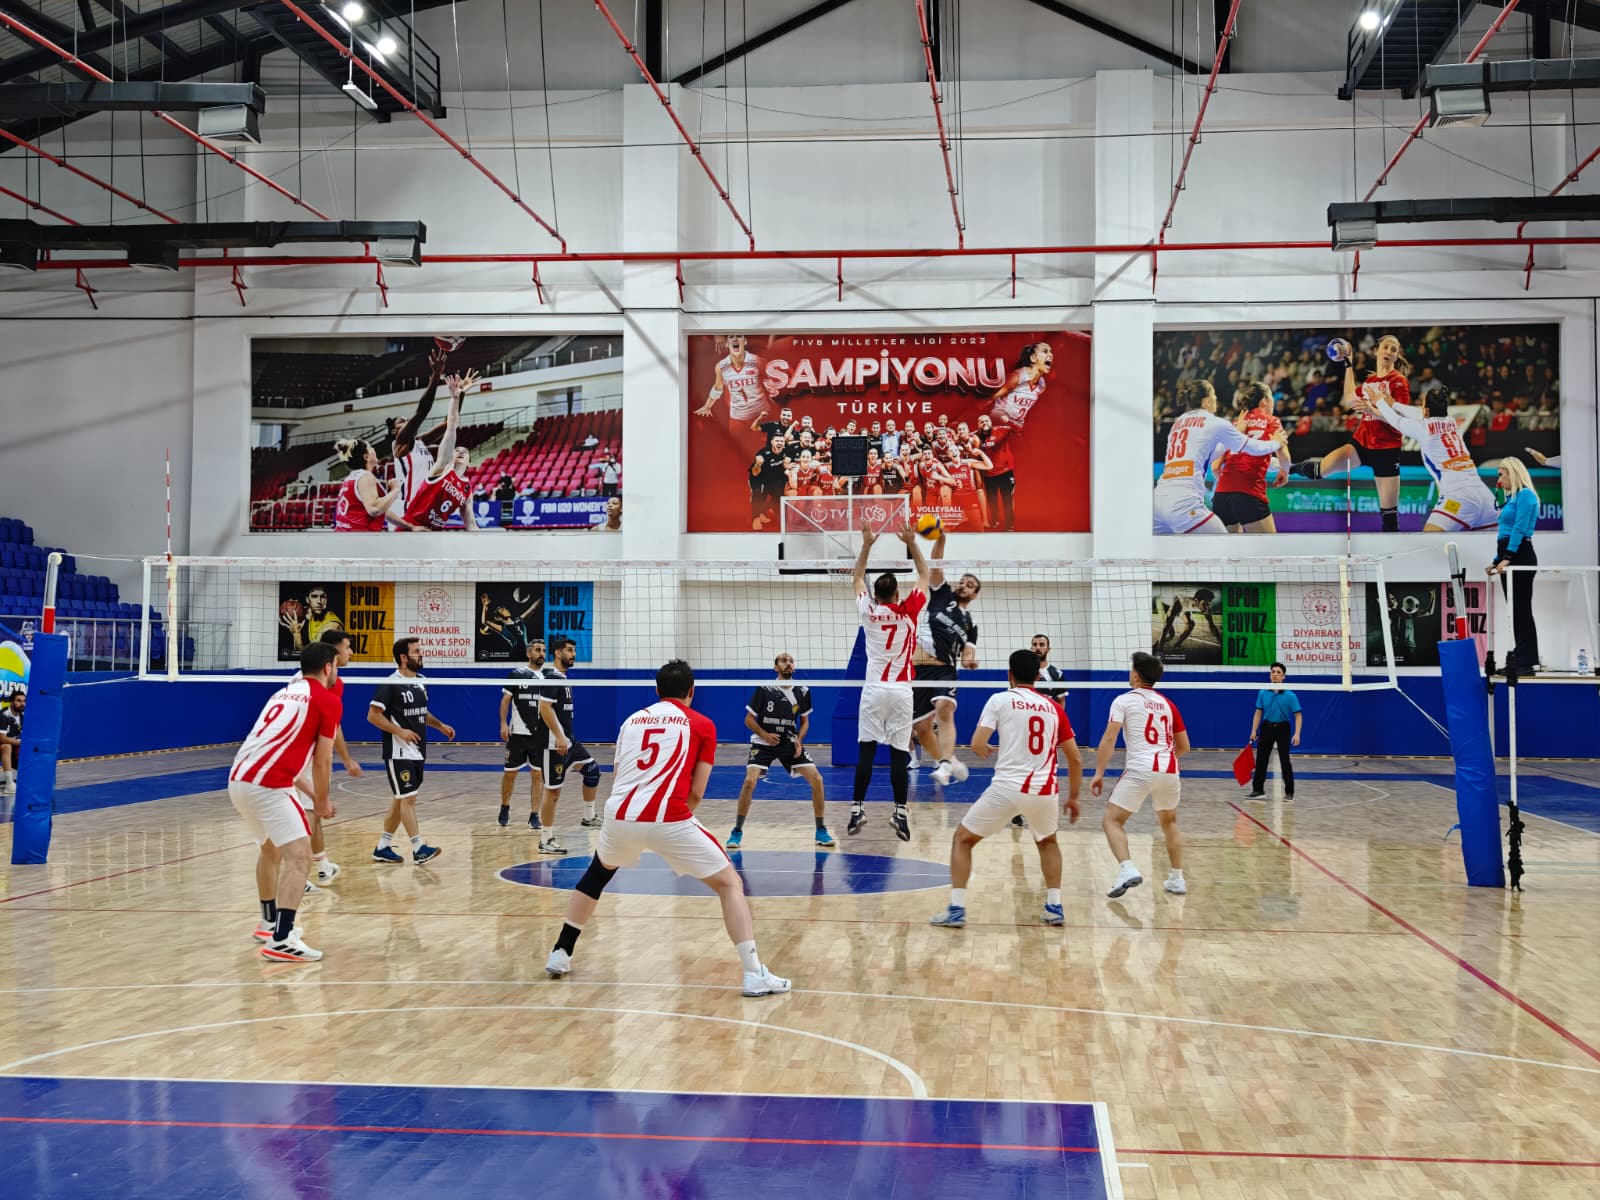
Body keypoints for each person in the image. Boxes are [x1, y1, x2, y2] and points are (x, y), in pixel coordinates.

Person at [545, 659, 791, 997]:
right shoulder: (702, 724)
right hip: (669, 816)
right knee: (730, 883)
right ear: (692, 691)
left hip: (620, 815)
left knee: (597, 874)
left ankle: (560, 953)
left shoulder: (631, 721)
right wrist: (672, 829)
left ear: (657, 691)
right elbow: (698, 791)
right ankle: (753, 974)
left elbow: (621, 776)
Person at [929, 648, 1083, 929]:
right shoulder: (1055, 708)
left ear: (1009, 674)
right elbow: (1075, 758)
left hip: (1008, 788)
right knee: (1048, 842)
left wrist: (983, 748)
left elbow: (977, 743)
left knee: (963, 839)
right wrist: (1073, 797)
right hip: (1044, 790)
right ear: (1038, 676)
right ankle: (1055, 906)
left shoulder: (1000, 699)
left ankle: (957, 909)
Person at [228, 641, 341, 962]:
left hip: (239, 780)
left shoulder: (281, 693)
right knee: (301, 857)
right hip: (269, 785)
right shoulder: (327, 700)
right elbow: (322, 760)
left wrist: (313, 796)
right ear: (328, 667)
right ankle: (282, 938)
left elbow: (281, 756)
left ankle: (267, 922)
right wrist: (322, 800)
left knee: (271, 849)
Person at [849, 522, 931, 842]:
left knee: (866, 752)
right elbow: (924, 576)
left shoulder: (867, 610)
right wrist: (912, 543)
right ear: (897, 594)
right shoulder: (909, 610)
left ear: (876, 594)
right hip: (901, 691)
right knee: (899, 754)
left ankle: (857, 809)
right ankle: (899, 812)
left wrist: (867, 544)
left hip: (872, 690)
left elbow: (857, 578)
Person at [1290, 334, 1417, 532]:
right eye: (1386, 347)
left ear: (1396, 356)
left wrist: (1371, 410)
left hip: (1387, 451)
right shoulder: (1369, 382)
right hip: (1361, 445)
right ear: (1377, 351)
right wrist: (1348, 364)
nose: (1389, 351)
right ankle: (1288, 468)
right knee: (1320, 470)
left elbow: (1400, 421)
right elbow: (1350, 397)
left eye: (1394, 349)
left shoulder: (1398, 381)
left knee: (1389, 516)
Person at [1090, 651, 1190, 899]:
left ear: (1135, 675)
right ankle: (1177, 879)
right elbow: (1185, 746)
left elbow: (1110, 737)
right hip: (1169, 768)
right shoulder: (1168, 704)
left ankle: (1126, 868)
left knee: (1111, 821)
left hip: (1140, 768)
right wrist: (1163, 762)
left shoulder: (1123, 701)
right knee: (1170, 823)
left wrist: (1099, 772)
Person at [727, 652, 833, 850]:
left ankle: (821, 830)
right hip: (763, 742)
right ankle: (737, 831)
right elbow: (748, 720)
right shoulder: (765, 688)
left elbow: (805, 722)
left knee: (817, 779)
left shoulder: (802, 690)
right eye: (783, 661)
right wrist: (764, 734)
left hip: (789, 742)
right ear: (776, 667)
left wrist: (799, 740)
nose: (788, 664)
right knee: (750, 781)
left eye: (791, 661)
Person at [1154, 380, 1285, 534]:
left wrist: (1236, 430)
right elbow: (1253, 447)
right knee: (1225, 549)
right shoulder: (1215, 422)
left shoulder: (1178, 423)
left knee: (1162, 555)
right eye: (1214, 396)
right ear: (1207, 401)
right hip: (1184, 504)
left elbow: (1209, 456)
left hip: (1158, 501)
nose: (1216, 399)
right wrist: (1276, 443)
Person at [367, 637, 455, 864]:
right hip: (399, 751)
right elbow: (373, 716)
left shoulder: (420, 682)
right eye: (416, 651)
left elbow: (422, 712)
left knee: (400, 799)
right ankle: (418, 848)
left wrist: (440, 725)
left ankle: (383, 847)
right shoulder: (391, 684)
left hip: (417, 750)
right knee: (409, 799)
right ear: (404, 657)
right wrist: (399, 731)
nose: (421, 654)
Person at [1368, 386, 1497, 532]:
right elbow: (1419, 414)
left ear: (1426, 410)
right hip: (1483, 494)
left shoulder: (1423, 429)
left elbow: (1395, 420)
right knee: (1492, 547)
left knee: (1430, 541)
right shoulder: (1453, 422)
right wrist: (1395, 405)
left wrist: (1379, 402)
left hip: (1458, 495)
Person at [911, 531, 980, 787]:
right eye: (962, 581)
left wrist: (970, 662)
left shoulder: (970, 624)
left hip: (944, 671)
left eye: (970, 585)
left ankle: (945, 765)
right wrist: (940, 538)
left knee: (944, 708)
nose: (964, 585)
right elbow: (935, 563)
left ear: (975, 595)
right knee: (921, 729)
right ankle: (948, 760)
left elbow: (967, 655)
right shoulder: (942, 595)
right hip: (917, 671)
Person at [298, 629, 365, 888]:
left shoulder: (333, 683)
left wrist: (346, 758)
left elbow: (332, 724)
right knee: (308, 814)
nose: (350, 652)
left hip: (305, 754)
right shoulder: (309, 683)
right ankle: (301, 872)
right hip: (300, 757)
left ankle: (322, 866)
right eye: (347, 647)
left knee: (310, 813)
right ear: (333, 652)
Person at [533, 636, 602, 856]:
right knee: (552, 792)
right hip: (553, 744)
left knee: (592, 771)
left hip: (569, 741)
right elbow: (544, 708)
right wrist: (559, 736)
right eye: (569, 650)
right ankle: (546, 839)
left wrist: (566, 737)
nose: (573, 654)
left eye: (574, 650)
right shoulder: (552, 677)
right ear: (558, 653)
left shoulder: (562, 677)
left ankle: (588, 817)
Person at [398, 372, 478, 531]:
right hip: (411, 528)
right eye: (457, 450)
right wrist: (455, 398)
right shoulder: (442, 467)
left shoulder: (467, 489)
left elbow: (471, 524)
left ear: (470, 462)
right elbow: (451, 426)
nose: (461, 451)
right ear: (450, 455)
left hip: (433, 534)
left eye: (465, 451)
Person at [1211, 381, 1292, 533]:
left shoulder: (1236, 424)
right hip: (1249, 493)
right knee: (1268, 552)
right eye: (1272, 399)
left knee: (1232, 554)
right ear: (1265, 401)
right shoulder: (1272, 421)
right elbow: (1285, 458)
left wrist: (1231, 487)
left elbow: (1215, 467)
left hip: (1222, 496)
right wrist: (1284, 472)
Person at [1489, 457, 1541, 674]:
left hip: (1520, 554)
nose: (1499, 478)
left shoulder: (1527, 496)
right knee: (1515, 610)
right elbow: (1503, 534)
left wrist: (1508, 557)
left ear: (1513, 473)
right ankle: (1521, 658)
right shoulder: (1510, 498)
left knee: (1521, 609)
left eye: (1502, 474)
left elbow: (1518, 530)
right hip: (1508, 553)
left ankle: (1526, 661)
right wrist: (1495, 560)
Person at [386, 346, 449, 529]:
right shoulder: (400, 443)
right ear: (394, 431)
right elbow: (422, 412)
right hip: (406, 508)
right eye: (401, 421)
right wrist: (436, 375)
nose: (406, 421)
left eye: (407, 420)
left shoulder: (419, 441)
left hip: (424, 506)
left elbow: (448, 425)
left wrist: (459, 394)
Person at [498, 638, 547, 829]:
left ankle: (534, 814)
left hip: (539, 736)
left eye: (543, 650)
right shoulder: (517, 674)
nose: (541, 653)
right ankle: (504, 807)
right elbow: (505, 701)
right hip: (517, 734)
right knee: (510, 774)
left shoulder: (549, 676)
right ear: (529, 653)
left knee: (537, 775)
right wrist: (503, 724)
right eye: (537, 650)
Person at [695, 333, 775, 429]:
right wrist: (707, 406)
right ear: (727, 344)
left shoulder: (758, 361)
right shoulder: (721, 366)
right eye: (731, 337)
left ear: (745, 341)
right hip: (738, 420)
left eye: (739, 336)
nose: (735, 339)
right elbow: (718, 387)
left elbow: (772, 385)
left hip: (763, 415)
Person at [1248, 662, 1300, 800]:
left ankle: (1289, 792)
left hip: (1283, 728)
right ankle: (1258, 790)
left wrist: (1297, 733)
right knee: (1261, 760)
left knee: (1284, 760)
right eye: (1273, 672)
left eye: (1278, 672)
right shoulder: (1263, 692)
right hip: (1266, 727)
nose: (1275, 675)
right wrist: (1254, 730)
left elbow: (1298, 715)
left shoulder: (1290, 695)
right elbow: (1258, 712)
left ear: (1283, 676)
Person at [332, 437, 403, 532]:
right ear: (367, 457)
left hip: (344, 535)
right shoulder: (365, 476)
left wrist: (409, 526)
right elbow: (375, 509)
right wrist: (396, 489)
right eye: (370, 448)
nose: (373, 449)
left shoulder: (350, 478)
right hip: (359, 538)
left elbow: (383, 511)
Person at [986, 341, 1053, 430]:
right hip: (999, 422)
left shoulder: (1042, 385)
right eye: (1045, 351)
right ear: (1033, 358)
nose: (1050, 355)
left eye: (1051, 351)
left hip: (1015, 428)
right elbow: (989, 400)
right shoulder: (1017, 377)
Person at [280, 585, 345, 653]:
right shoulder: (310, 614)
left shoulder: (332, 626)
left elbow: (313, 656)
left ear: (327, 600)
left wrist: (297, 634)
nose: (319, 601)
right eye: (314, 596)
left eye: (323, 597)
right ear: (307, 600)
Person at [479, 591, 541, 657]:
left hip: (526, 654)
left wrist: (543, 597)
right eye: (502, 610)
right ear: (498, 618)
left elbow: (532, 608)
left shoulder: (519, 620)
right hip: (516, 653)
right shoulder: (503, 628)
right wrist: (484, 606)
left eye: (505, 608)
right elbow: (484, 622)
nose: (506, 609)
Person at [0, 689, 23, 794]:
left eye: (24, 701)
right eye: (19, 701)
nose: (22, 703)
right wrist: (21, 743)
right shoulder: (3, 715)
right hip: (3, 747)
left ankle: (33, 776)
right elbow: (2, 738)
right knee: (6, 746)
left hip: (13, 751)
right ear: (12, 702)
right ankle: (9, 784)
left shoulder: (23, 717)